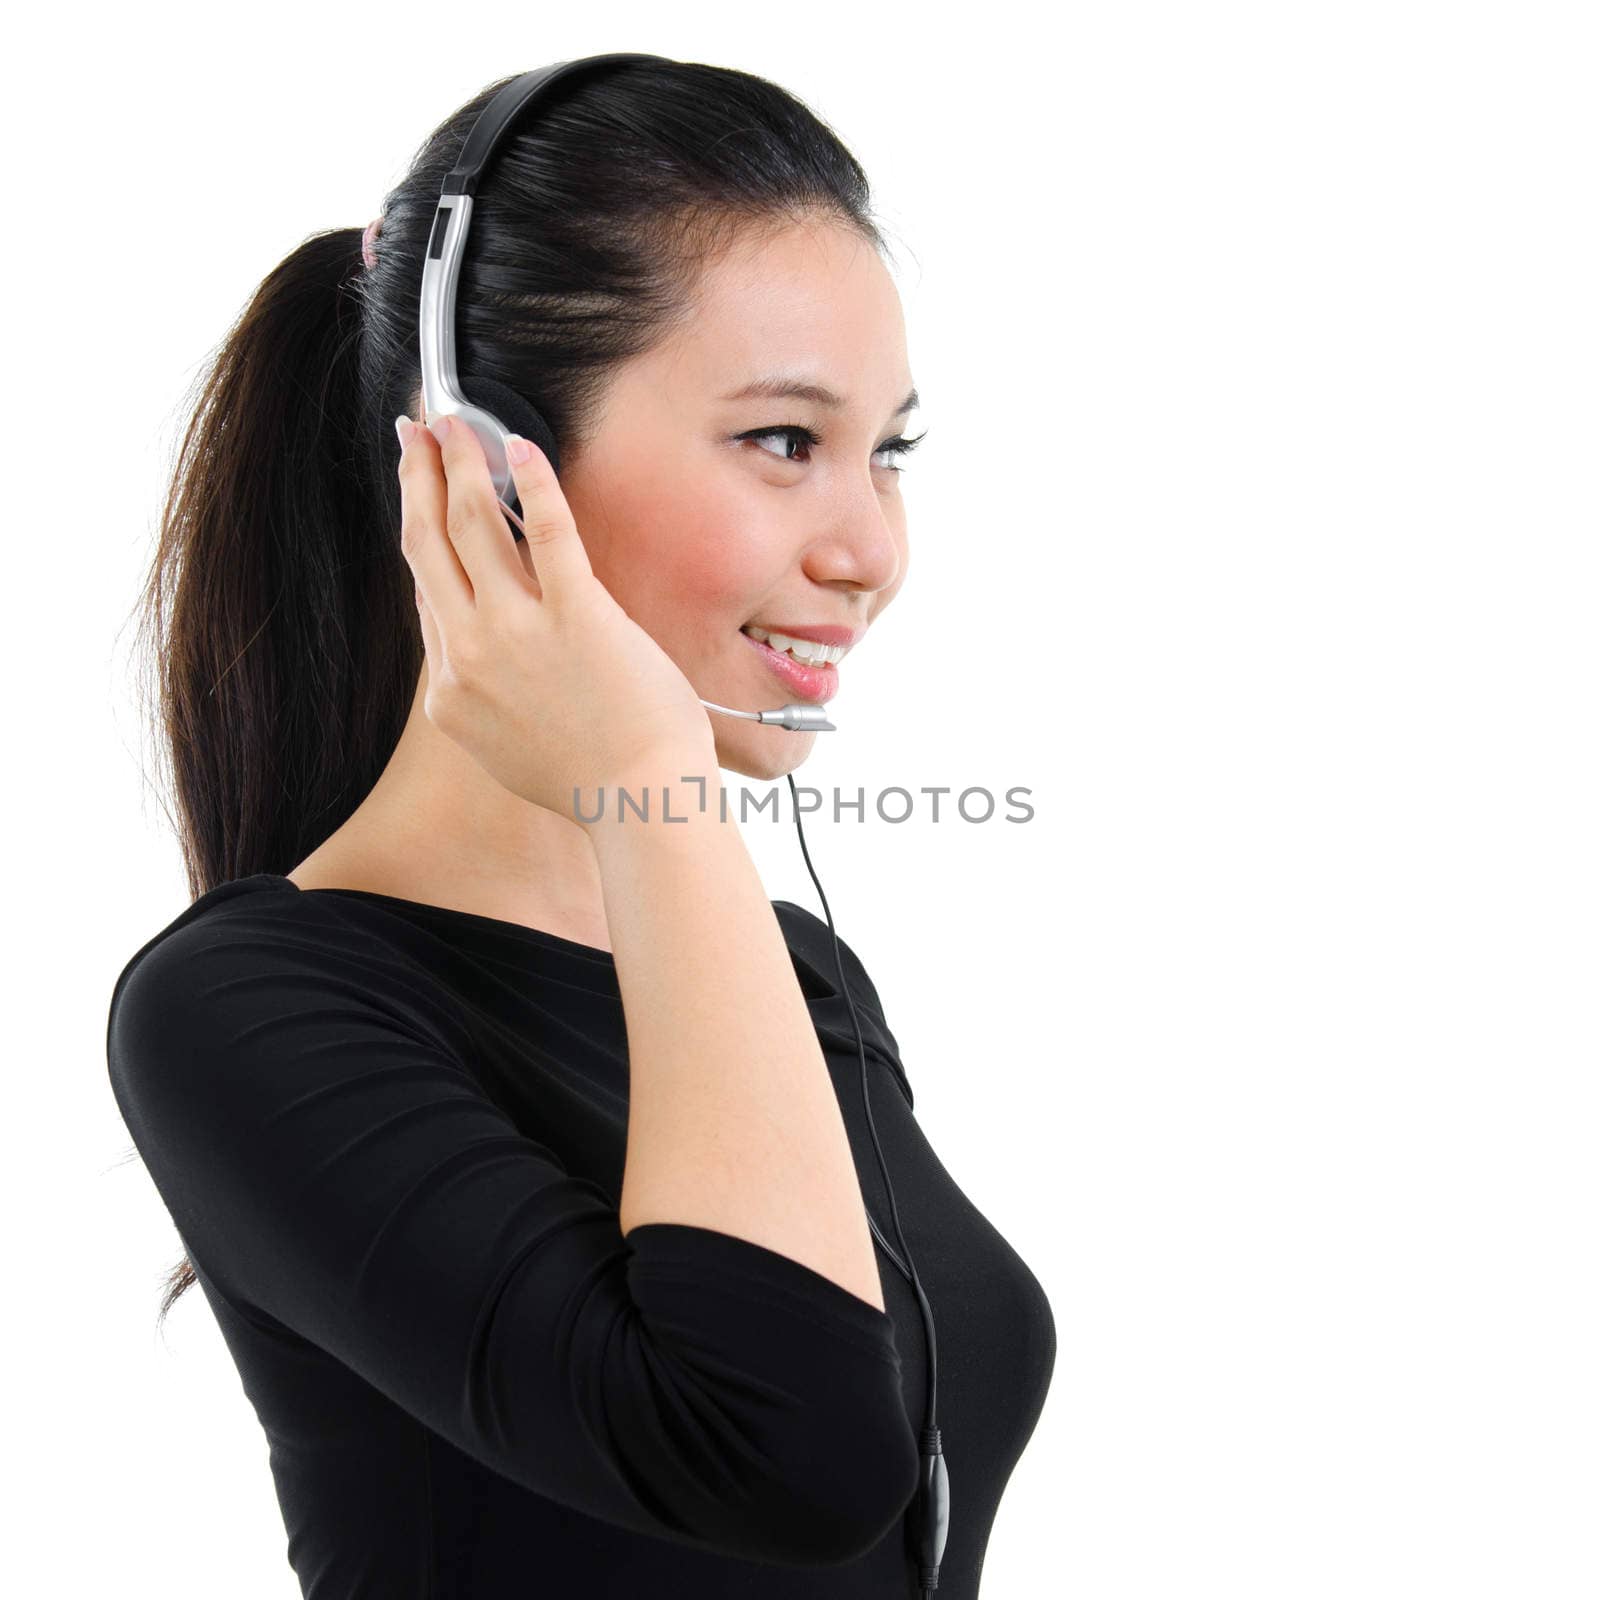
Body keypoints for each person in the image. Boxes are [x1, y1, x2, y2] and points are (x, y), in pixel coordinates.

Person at [107, 58, 1055, 1598]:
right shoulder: (241, 1009)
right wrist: (650, 783)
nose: (872, 550)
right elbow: (786, 1456)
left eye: (891, 452)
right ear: (482, 470)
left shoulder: (789, 979)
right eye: (781, 442)